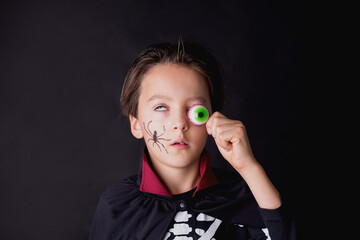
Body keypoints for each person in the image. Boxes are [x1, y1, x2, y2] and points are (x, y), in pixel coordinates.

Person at [89, 39, 295, 240]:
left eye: (196, 111)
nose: (179, 123)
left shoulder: (244, 195)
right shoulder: (118, 206)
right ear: (136, 124)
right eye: (161, 107)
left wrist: (250, 169)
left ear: (213, 120)